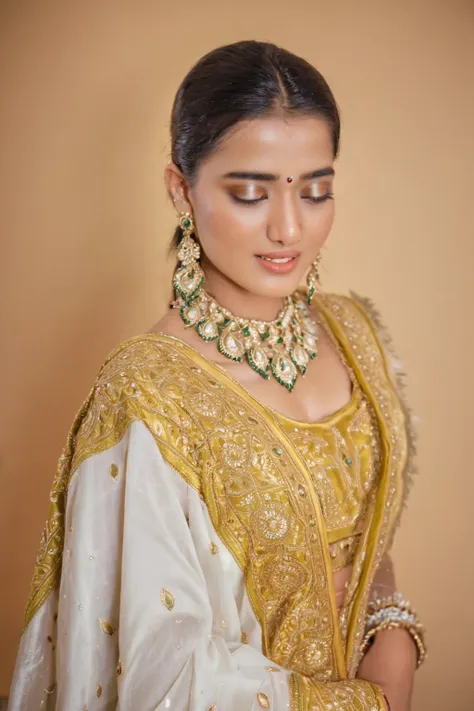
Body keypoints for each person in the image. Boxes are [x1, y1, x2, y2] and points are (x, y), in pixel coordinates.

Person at [8, 40, 425, 711]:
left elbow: (368, 532)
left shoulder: (352, 333)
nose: (289, 227)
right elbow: (160, 673)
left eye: (315, 191)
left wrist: (392, 622)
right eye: (252, 193)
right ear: (181, 188)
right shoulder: (148, 395)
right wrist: (366, 700)